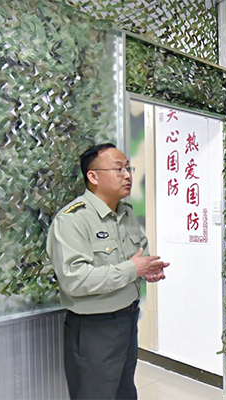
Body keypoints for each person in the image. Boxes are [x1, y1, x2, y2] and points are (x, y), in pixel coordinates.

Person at [47, 143, 169, 400]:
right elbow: (75, 280)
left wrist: (146, 269)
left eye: (128, 168)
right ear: (93, 177)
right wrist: (132, 269)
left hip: (127, 320)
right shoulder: (72, 220)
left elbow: (138, 254)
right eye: (118, 169)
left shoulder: (125, 213)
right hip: (94, 329)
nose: (127, 175)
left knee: (124, 392)